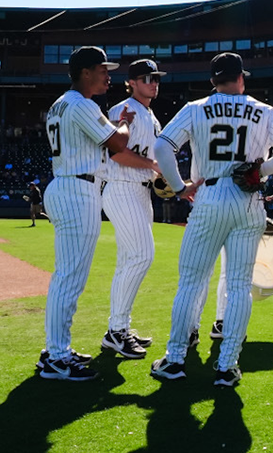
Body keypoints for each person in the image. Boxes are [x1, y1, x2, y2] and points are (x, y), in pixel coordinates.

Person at [150, 52, 273, 389]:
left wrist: (179, 188)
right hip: (248, 201)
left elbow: (161, 148)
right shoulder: (264, 110)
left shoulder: (195, 108)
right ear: (241, 78)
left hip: (209, 195)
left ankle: (175, 359)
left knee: (191, 281)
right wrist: (262, 169)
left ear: (213, 80)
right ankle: (228, 364)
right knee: (239, 286)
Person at [39, 46, 149, 383]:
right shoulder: (81, 103)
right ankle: (56, 356)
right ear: (86, 72)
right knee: (69, 278)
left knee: (68, 276)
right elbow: (118, 144)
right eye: (103, 69)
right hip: (77, 189)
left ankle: (57, 350)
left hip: (68, 184)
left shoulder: (61, 104)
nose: (108, 75)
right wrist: (125, 124)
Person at [98, 59, 169, 360]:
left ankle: (119, 327)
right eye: (146, 78)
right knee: (142, 255)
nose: (153, 82)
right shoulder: (122, 110)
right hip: (121, 186)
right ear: (131, 83)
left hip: (140, 192)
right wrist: (153, 166)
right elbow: (116, 155)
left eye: (156, 77)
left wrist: (163, 175)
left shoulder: (151, 116)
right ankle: (116, 332)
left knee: (128, 260)